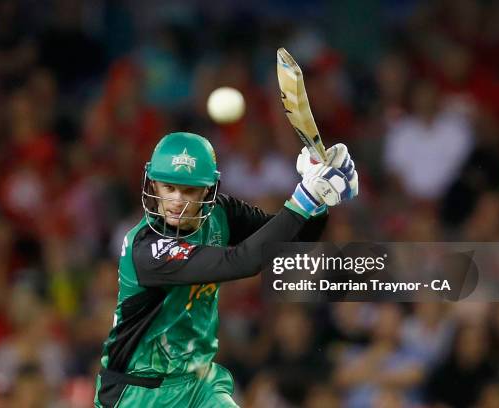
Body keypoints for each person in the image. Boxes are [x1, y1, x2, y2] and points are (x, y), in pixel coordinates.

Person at [94, 132, 358, 407]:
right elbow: (242, 261)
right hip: (138, 392)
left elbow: (292, 240)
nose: (176, 201)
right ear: (153, 185)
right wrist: (305, 196)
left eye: (188, 190)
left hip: (197, 384)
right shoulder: (147, 249)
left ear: (208, 189)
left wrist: (318, 199)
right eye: (168, 187)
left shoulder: (220, 213)